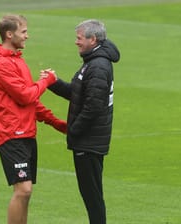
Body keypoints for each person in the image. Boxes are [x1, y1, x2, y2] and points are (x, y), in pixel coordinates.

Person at [0, 14, 67, 224]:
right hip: (11, 134)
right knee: (23, 190)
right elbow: (26, 95)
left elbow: (31, 101)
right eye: (23, 32)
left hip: (27, 132)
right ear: (9, 34)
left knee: (26, 192)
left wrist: (56, 123)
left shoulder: (18, 61)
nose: (27, 36)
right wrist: (47, 81)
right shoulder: (2, 65)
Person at [47, 19, 120, 224]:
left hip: (89, 141)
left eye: (79, 38)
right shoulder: (94, 61)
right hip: (90, 140)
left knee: (92, 196)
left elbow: (93, 106)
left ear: (92, 39)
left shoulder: (97, 66)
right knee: (91, 195)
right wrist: (54, 83)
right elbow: (80, 94)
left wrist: (74, 130)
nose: (76, 42)